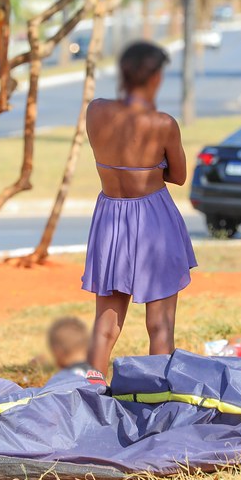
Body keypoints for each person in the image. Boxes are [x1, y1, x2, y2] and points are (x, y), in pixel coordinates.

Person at [81, 41, 197, 379]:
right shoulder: (162, 123)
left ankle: (90, 396)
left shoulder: (95, 110)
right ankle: (157, 403)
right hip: (152, 220)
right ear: (156, 78)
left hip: (109, 218)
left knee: (105, 324)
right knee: (159, 325)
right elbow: (178, 176)